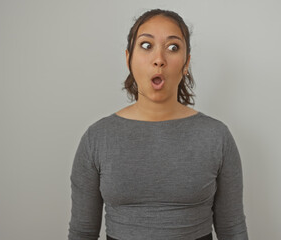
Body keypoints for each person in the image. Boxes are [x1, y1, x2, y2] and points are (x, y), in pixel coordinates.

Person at [68, 9, 248, 240]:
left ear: (186, 63)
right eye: (146, 45)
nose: (159, 59)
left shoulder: (217, 136)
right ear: (128, 58)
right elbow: (82, 233)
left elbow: (232, 229)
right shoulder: (97, 138)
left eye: (173, 47)